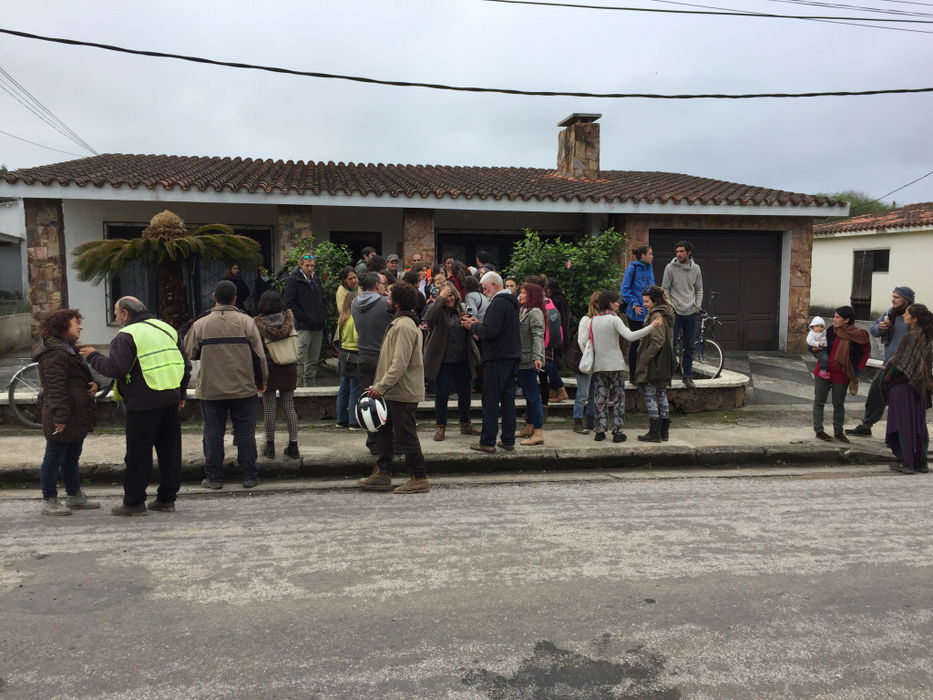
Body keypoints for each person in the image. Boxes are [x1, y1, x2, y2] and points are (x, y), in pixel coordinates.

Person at [82, 297, 190, 516]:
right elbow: (185, 365)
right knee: (170, 452)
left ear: (125, 314)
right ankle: (166, 499)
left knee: (138, 455)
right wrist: (181, 392)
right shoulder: (167, 329)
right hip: (169, 399)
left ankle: (134, 503)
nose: (115, 318)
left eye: (116, 313)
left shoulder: (126, 336)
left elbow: (116, 368)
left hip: (142, 402)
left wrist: (93, 356)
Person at [184, 280, 268, 489]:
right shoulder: (247, 322)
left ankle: (214, 477)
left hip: (211, 388)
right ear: (235, 298)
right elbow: (259, 356)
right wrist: (261, 381)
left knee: (212, 432)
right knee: (245, 432)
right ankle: (249, 475)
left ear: (214, 297)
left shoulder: (201, 324)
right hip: (243, 386)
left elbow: (188, 354)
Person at [357, 281, 430, 494]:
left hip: (402, 391)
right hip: (393, 391)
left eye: (389, 298)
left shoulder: (404, 326)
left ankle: (419, 476)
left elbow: (399, 363)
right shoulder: (399, 323)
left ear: (397, 303)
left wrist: (380, 386)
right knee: (383, 431)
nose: (386, 301)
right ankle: (383, 473)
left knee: (405, 434)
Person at [33, 309, 100, 516]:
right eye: (75, 324)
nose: (80, 327)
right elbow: (55, 386)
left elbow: (83, 375)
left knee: (72, 456)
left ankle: (74, 495)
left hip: (76, 413)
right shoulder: (55, 352)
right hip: (63, 414)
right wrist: (60, 416)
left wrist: (95, 384)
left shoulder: (69, 349)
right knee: (54, 456)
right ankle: (49, 499)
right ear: (62, 327)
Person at [588, 291, 661, 443]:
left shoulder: (593, 320)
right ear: (609, 303)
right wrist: (651, 327)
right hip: (615, 365)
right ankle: (618, 432)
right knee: (618, 400)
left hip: (599, 366)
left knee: (600, 399)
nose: (618, 304)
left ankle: (599, 431)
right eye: (615, 301)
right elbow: (630, 336)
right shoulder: (614, 320)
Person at [462, 272, 522, 452]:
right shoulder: (511, 303)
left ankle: (487, 441)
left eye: (486, 288)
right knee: (508, 401)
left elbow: (490, 331)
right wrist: (479, 323)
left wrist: (472, 326)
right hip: (511, 357)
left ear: (494, 285)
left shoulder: (498, 303)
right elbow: (498, 328)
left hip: (497, 358)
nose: (484, 291)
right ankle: (508, 439)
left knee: (491, 401)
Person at [846, 286, 915, 437]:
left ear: (906, 299)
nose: (893, 299)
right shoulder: (891, 313)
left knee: (901, 400)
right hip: (888, 363)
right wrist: (882, 328)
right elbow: (874, 329)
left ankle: (903, 432)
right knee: (876, 394)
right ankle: (866, 425)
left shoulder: (915, 316)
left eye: (896, 297)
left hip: (907, 367)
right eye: (893, 296)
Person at [423, 282, 481, 441]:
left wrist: (473, 325)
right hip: (443, 361)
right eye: (446, 295)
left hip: (462, 358)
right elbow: (427, 320)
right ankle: (440, 427)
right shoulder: (437, 310)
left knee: (465, 392)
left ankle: (465, 424)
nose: (449, 298)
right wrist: (439, 300)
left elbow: (473, 320)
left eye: (451, 294)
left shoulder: (464, 307)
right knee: (441, 394)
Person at [881, 303, 932, 474]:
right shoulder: (928, 335)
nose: (904, 316)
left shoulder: (910, 336)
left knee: (903, 424)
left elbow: (900, 364)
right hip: (921, 386)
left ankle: (906, 462)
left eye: (907, 314)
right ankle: (921, 462)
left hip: (903, 386)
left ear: (915, 318)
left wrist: (886, 380)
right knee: (919, 423)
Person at [812, 306, 870, 443]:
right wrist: (814, 349)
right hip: (824, 371)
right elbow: (816, 342)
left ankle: (838, 432)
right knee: (819, 401)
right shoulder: (831, 331)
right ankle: (819, 430)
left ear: (846, 320)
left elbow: (865, 354)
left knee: (838, 404)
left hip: (843, 374)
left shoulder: (859, 335)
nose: (834, 319)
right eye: (835, 316)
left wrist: (856, 372)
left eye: (837, 317)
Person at [254, 290, 300, 459]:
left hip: (269, 368)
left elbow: (256, 350)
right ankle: (294, 445)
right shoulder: (289, 319)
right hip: (289, 366)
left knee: (269, 408)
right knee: (289, 406)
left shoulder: (258, 324)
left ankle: (270, 446)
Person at [352, 272, 393, 455]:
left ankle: (372, 440)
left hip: (363, 355)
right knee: (386, 402)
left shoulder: (354, 303)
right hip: (382, 356)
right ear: (377, 285)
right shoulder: (385, 303)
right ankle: (388, 442)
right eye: (383, 284)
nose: (385, 287)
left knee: (368, 401)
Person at [634, 286, 676, 443]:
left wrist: (644, 358)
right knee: (661, 393)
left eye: (647, 301)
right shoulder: (666, 313)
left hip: (655, 362)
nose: (644, 304)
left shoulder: (655, 315)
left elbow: (657, 341)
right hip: (664, 361)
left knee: (651, 395)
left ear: (655, 301)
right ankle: (664, 432)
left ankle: (655, 433)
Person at [662, 240, 703, 389]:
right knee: (670, 345)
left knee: (689, 346)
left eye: (681, 251)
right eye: (677, 251)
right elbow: (665, 289)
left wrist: (697, 305)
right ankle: (667, 376)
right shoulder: (670, 268)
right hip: (675, 312)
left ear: (689, 253)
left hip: (691, 312)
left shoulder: (696, 269)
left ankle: (688, 376)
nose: (678, 254)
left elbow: (699, 289)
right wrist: (670, 306)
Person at [283, 253, 326, 387]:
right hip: (303, 326)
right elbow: (289, 303)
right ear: (300, 265)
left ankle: (311, 388)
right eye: (307, 265)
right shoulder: (293, 280)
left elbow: (323, 300)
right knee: (300, 360)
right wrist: (304, 318)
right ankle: (298, 389)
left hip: (317, 326)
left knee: (313, 361)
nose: (310, 268)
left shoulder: (316, 280)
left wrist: (322, 316)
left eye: (312, 265)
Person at [516, 282, 547, 446]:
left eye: (523, 293)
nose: (520, 296)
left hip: (529, 359)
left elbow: (537, 335)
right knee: (528, 395)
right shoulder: (523, 311)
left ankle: (538, 432)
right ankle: (529, 427)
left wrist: (537, 356)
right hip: (522, 359)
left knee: (534, 396)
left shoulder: (535, 312)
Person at [621, 245, 656, 377]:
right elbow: (625, 289)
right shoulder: (632, 268)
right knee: (636, 343)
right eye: (650, 254)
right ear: (643, 255)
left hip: (649, 312)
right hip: (636, 313)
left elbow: (652, 288)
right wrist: (634, 303)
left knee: (649, 344)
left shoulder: (650, 268)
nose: (652, 256)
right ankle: (633, 376)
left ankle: (646, 374)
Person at [571, 292, 600, 434]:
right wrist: (589, 359)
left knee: (593, 392)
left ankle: (590, 420)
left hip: (598, 361)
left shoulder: (602, 319)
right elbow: (582, 342)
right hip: (586, 361)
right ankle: (577, 421)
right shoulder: (586, 319)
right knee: (582, 392)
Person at [335, 290, 362, 431]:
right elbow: (357, 339)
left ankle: (340, 419)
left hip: (343, 355)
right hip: (354, 355)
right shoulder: (355, 319)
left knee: (343, 389)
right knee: (355, 389)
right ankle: (353, 421)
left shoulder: (342, 318)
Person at [544, 277, 570, 403]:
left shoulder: (554, 301)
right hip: (560, 335)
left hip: (554, 336)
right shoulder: (562, 299)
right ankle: (553, 391)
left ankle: (561, 390)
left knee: (549, 363)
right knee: (550, 362)